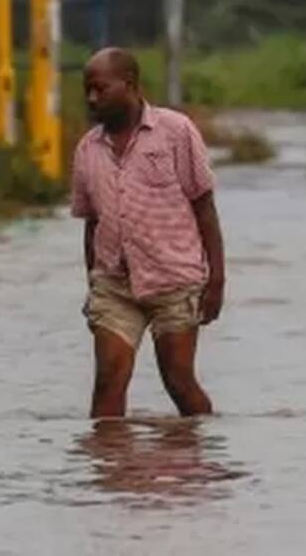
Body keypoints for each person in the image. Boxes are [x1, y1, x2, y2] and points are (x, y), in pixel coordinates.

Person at [70, 47, 226, 418]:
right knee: (108, 380)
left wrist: (216, 280)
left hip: (174, 279)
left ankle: (200, 458)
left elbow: (204, 208)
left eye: (101, 89)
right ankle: (110, 470)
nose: (93, 99)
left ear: (130, 85)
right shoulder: (87, 150)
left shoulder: (175, 132)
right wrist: (93, 283)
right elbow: (92, 223)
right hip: (115, 286)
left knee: (178, 381)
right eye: (87, 91)